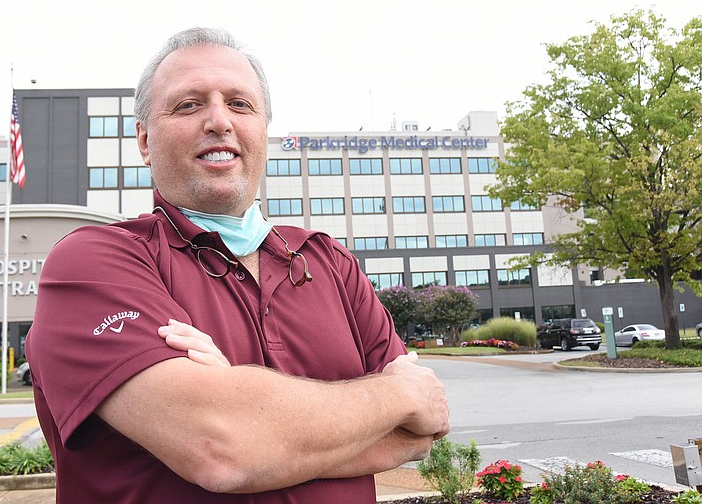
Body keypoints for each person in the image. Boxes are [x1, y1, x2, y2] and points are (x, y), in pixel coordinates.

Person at [25, 27, 450, 503]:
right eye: (188, 104)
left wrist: (244, 407)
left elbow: (419, 433)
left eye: (240, 104)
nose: (219, 121)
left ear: (262, 132)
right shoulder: (95, 263)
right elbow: (222, 448)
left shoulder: (330, 263)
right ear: (144, 140)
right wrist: (397, 394)